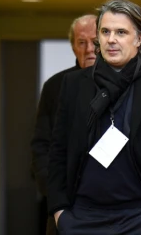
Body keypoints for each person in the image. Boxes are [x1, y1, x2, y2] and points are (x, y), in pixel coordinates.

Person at [47, 0, 141, 235]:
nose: (111, 39)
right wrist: (60, 212)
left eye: (121, 32)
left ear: (139, 39)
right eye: (105, 31)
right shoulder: (74, 85)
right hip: (81, 217)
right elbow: (57, 153)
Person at [31, 14, 96, 235]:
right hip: (65, 205)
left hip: (113, 206)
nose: (89, 49)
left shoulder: (125, 85)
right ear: (73, 47)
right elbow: (41, 145)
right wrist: (54, 195)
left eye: (95, 42)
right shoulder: (55, 86)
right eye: (81, 42)